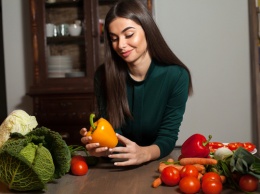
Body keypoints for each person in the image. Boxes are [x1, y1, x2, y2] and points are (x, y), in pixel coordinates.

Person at [80, 0, 193, 166]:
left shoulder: (176, 76)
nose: (121, 45)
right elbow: (111, 134)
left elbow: (168, 137)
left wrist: (144, 153)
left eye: (129, 34)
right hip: (115, 166)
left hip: (156, 164)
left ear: (147, 30)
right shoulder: (103, 76)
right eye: (114, 38)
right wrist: (100, 146)